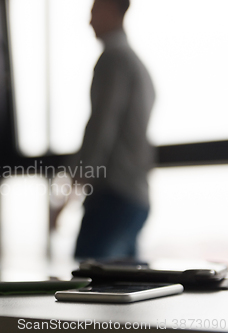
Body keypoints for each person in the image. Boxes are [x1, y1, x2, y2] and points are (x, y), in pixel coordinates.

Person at [71, 0, 156, 259]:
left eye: (94, 12)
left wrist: (71, 190)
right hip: (134, 196)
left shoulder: (114, 59)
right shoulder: (137, 64)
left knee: (88, 284)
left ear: (110, 9)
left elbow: (100, 128)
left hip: (113, 196)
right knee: (125, 287)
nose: (89, 21)